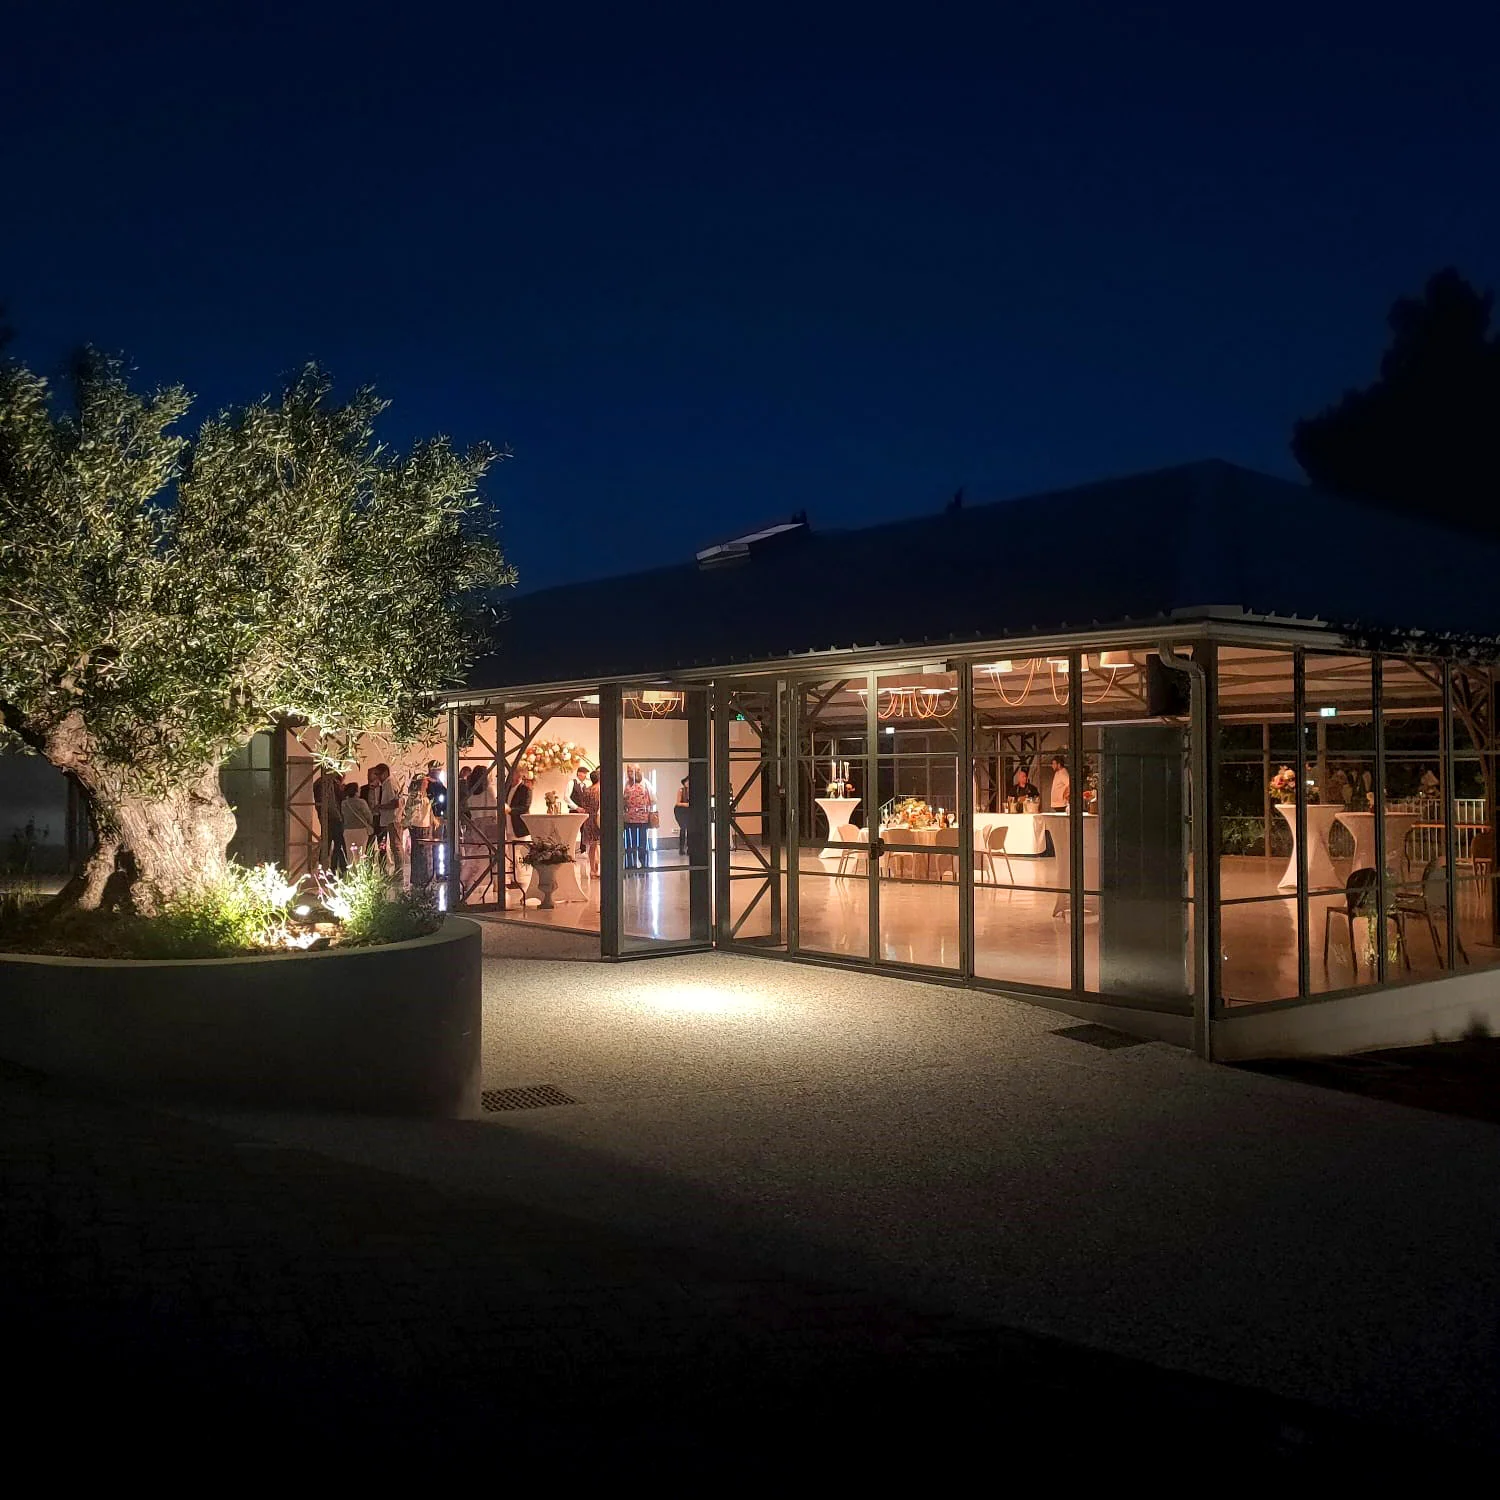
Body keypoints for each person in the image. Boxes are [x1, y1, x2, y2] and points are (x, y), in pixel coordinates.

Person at [367, 763, 402, 875]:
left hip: (392, 818)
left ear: (385, 773)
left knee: (396, 846)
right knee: (392, 845)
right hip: (387, 819)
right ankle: (397, 869)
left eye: (378, 774)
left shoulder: (389, 784)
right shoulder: (385, 784)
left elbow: (395, 803)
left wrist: (380, 807)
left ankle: (399, 870)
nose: (376, 777)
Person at [312, 766, 347, 873]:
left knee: (327, 842)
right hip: (334, 817)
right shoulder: (330, 784)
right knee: (339, 843)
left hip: (325, 817)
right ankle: (339, 868)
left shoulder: (318, 783)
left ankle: (324, 867)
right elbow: (337, 801)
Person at [403, 768, 435, 887]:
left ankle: (422, 877)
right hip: (419, 827)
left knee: (423, 853)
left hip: (424, 825)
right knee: (422, 853)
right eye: (425, 781)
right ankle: (422, 878)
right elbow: (412, 812)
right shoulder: (416, 796)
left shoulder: (423, 795)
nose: (427, 784)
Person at [623, 764, 654, 870]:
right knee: (630, 843)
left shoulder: (645, 783)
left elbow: (653, 799)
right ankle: (631, 864)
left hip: (642, 818)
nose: (629, 773)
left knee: (642, 842)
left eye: (631, 771)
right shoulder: (626, 784)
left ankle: (644, 864)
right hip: (629, 818)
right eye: (628, 771)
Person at [576, 767, 602, 878]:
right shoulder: (600, 790)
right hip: (597, 819)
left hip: (588, 819)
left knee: (592, 845)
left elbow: (583, 804)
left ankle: (592, 870)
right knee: (599, 844)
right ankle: (598, 869)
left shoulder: (587, 790)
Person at [341, 781, 372, 863]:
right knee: (361, 853)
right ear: (356, 791)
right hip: (361, 830)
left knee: (350, 855)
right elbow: (368, 816)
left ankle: (351, 873)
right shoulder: (362, 802)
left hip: (348, 830)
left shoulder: (344, 803)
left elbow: (343, 815)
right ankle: (360, 873)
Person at [674, 775, 691, 855]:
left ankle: (690, 848)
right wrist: (687, 804)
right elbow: (677, 803)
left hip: (689, 811)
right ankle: (681, 848)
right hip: (680, 811)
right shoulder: (681, 790)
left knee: (691, 828)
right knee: (683, 828)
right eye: (687, 781)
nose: (688, 783)